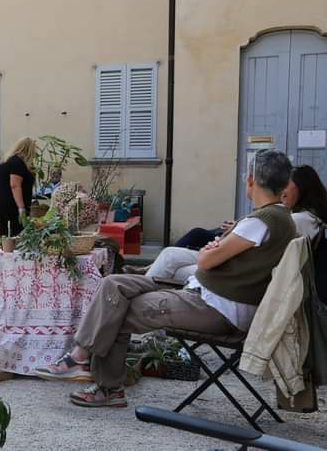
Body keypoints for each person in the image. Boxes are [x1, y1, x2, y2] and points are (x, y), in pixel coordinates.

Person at [35, 150, 297, 408]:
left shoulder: (262, 221)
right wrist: (214, 250)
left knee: (117, 310)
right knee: (113, 283)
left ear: (250, 179)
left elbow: (206, 260)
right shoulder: (277, 218)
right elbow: (217, 257)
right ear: (284, 184)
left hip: (216, 308)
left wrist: (211, 251)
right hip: (205, 295)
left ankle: (107, 386)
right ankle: (82, 356)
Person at [139, 164, 327, 283]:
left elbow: (212, 259)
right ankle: (144, 286)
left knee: (174, 266)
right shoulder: (302, 218)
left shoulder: (293, 219)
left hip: (239, 274)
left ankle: (151, 315)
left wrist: (220, 245)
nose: (283, 191)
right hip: (241, 266)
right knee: (170, 255)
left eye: (288, 185)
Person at [0, 137, 36, 237]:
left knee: (5, 237)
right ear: (28, 150)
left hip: (3, 204)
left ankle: (5, 252)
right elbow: (15, 185)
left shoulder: (5, 161)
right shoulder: (17, 163)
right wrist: (21, 208)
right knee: (16, 237)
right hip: (13, 207)